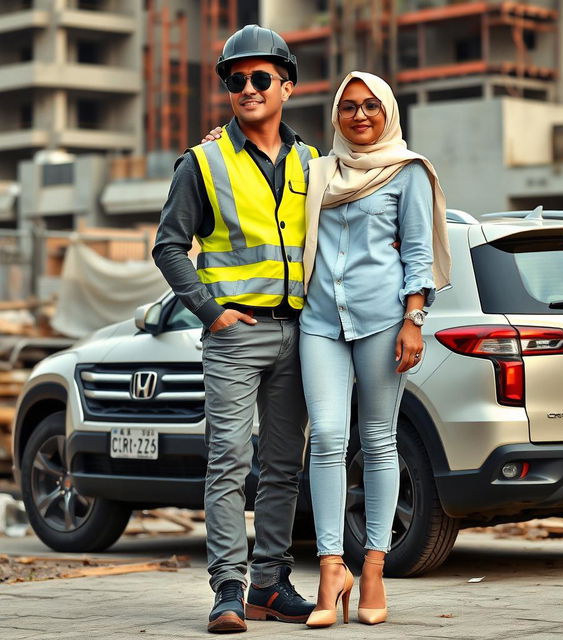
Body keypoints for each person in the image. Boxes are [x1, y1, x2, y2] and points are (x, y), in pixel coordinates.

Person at [152, 25, 319, 634]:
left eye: (259, 78)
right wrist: (209, 310)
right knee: (228, 461)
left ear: (287, 86)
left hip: (299, 334)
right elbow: (169, 247)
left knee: (283, 467)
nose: (246, 88)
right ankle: (228, 588)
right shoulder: (202, 161)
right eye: (234, 79)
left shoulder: (312, 164)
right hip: (234, 333)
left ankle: (271, 585)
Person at [299, 71, 450, 628]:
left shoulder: (408, 173)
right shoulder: (317, 171)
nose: (359, 116)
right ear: (335, 115)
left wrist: (414, 320)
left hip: (384, 320)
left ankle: (374, 569)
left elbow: (416, 251)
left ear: (388, 112)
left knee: (379, 440)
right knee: (330, 438)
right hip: (318, 321)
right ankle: (331, 566)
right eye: (348, 107)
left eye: (371, 107)